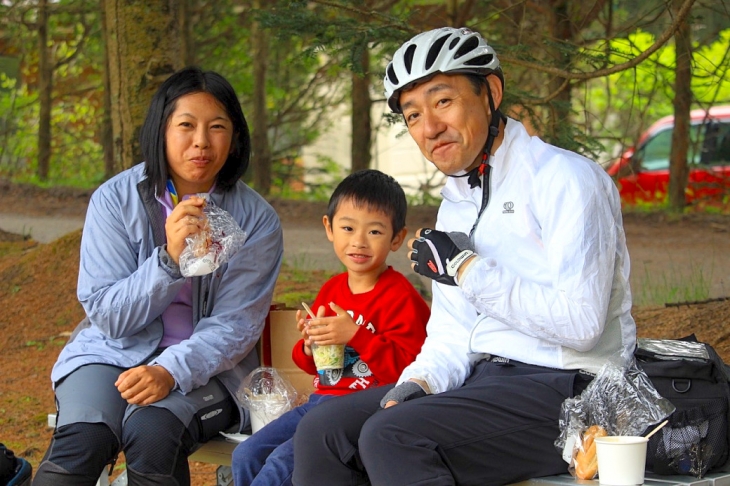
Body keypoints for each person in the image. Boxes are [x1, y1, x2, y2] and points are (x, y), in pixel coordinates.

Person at [292, 27, 636, 485]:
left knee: (391, 437)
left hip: (574, 387)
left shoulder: (567, 180)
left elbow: (582, 326)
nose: (430, 128)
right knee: (324, 429)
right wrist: (420, 382)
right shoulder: (456, 201)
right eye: (413, 115)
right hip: (486, 380)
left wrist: (466, 269)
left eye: (443, 102)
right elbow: (453, 331)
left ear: (490, 92)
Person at [33, 67, 283, 486]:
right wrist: (168, 259)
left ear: (235, 137)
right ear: (162, 131)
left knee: (152, 432)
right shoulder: (115, 200)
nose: (201, 141)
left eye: (217, 127)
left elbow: (236, 326)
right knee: (82, 443)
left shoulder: (256, 220)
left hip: (208, 369)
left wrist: (170, 370)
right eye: (186, 125)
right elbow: (109, 316)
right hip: (111, 353)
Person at [231, 169, 431, 486]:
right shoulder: (332, 290)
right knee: (246, 455)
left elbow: (412, 373)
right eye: (348, 228)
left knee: (280, 466)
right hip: (320, 401)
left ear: (396, 237)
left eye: (375, 232)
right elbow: (324, 368)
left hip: (360, 413)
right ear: (329, 228)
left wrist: (357, 335)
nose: (358, 242)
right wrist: (310, 346)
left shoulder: (402, 298)